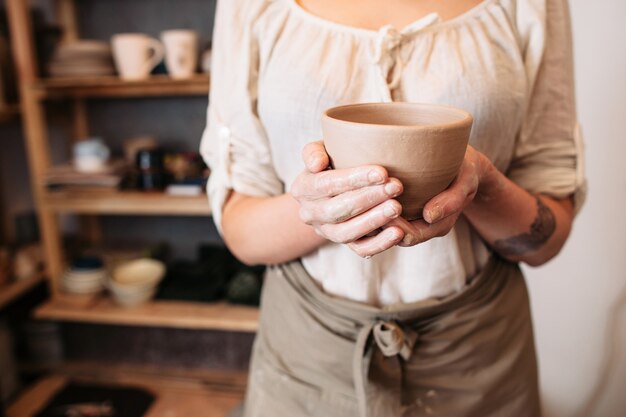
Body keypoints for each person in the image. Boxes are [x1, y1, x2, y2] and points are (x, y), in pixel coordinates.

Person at [200, 0, 586, 415]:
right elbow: (241, 228)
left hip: (476, 356)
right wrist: (322, 208)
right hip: (308, 352)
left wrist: (483, 182)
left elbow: (548, 237)